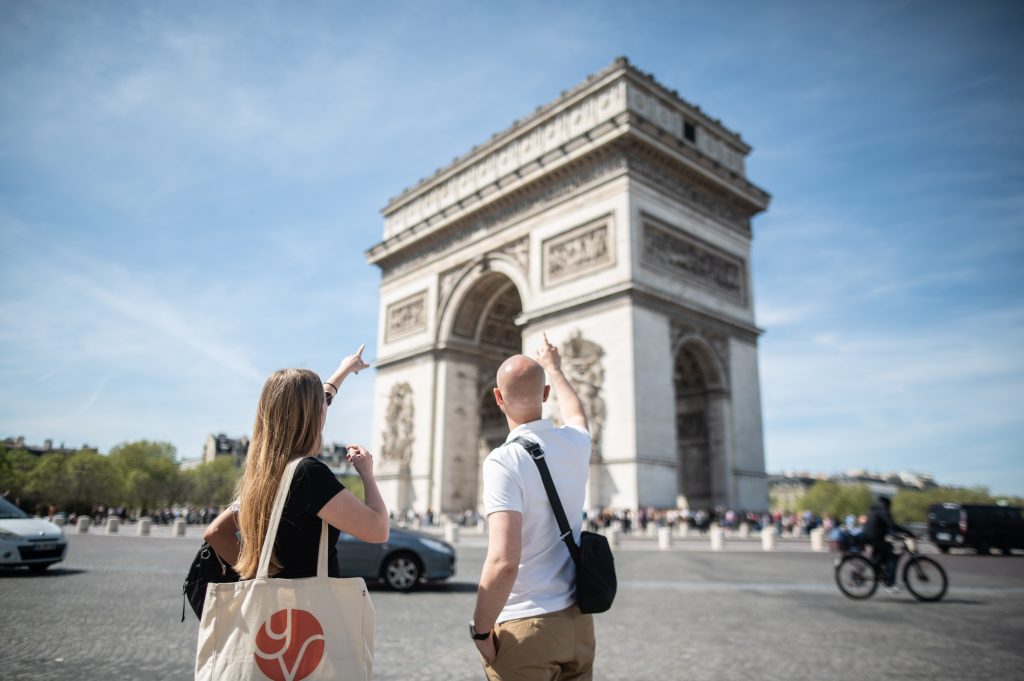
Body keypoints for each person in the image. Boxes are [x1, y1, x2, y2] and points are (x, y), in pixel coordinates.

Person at [203, 344, 389, 580]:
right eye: (323, 402)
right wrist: (367, 474)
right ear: (312, 413)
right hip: (313, 611)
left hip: (278, 611)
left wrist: (263, 575)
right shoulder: (308, 474)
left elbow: (216, 532)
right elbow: (378, 530)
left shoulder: (269, 472)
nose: (327, 405)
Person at [470, 333, 595, 681]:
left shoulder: (503, 462)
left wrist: (480, 631)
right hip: (579, 625)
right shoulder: (575, 444)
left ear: (497, 397)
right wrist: (554, 368)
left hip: (526, 626)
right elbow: (577, 414)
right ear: (545, 395)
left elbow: (503, 562)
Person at [861, 495, 913, 590]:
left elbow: (885, 525)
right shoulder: (882, 509)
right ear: (887, 503)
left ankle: (880, 573)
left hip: (871, 536)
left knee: (882, 554)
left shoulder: (875, 508)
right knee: (892, 557)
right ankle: (889, 584)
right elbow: (891, 525)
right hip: (875, 537)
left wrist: (896, 534)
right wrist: (908, 533)